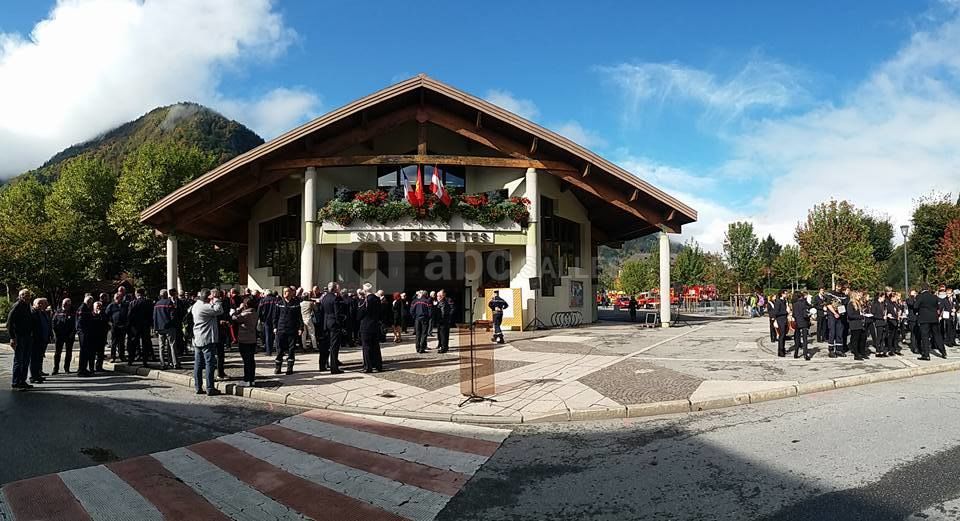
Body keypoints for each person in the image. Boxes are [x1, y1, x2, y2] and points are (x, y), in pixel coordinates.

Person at [191, 289, 223, 396]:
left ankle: (198, 386)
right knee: (210, 363)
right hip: (207, 338)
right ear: (207, 297)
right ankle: (210, 388)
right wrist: (217, 300)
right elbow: (219, 310)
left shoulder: (196, 305)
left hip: (198, 338)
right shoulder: (204, 307)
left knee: (198, 364)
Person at [271, 286, 302, 376]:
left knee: (291, 349)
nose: (285, 293)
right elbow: (275, 316)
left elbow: (299, 317)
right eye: (284, 292)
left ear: (291, 293)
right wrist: (274, 327)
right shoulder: (279, 303)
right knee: (279, 349)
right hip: (281, 329)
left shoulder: (296, 304)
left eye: (287, 291)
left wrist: (300, 328)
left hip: (292, 330)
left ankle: (289, 368)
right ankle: (278, 367)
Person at [8, 289, 34, 390]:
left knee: (26, 360)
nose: (26, 297)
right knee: (19, 360)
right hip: (19, 337)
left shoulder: (27, 305)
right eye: (24, 295)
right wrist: (12, 337)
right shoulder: (17, 306)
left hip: (27, 336)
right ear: (20, 296)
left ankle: (22, 381)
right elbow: (9, 323)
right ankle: (16, 382)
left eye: (28, 295)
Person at [231, 296, 259, 387]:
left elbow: (235, 318)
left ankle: (247, 379)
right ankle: (252, 379)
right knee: (251, 360)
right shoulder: (255, 313)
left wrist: (237, 309)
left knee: (246, 361)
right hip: (252, 339)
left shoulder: (245, 314)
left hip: (244, 339)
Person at [319, 282, 344, 373]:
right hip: (333, 323)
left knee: (324, 345)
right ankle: (334, 367)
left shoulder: (324, 298)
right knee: (334, 346)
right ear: (334, 289)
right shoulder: (335, 298)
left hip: (326, 323)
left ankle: (322, 365)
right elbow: (337, 313)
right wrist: (340, 323)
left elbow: (321, 311)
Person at [358, 283, 383, 373]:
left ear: (364, 291)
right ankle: (378, 365)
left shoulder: (366, 300)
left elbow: (361, 313)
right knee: (375, 346)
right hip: (375, 325)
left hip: (366, 325)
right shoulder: (377, 299)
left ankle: (368, 366)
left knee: (366, 347)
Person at [153, 289, 181, 369]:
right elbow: (173, 315)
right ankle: (175, 363)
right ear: (166, 295)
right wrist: (174, 324)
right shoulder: (169, 303)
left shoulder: (156, 304)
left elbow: (154, 317)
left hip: (160, 328)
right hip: (169, 327)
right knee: (172, 345)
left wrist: (155, 328)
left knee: (161, 346)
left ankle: (162, 364)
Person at [126, 288, 154, 366]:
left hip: (135, 326)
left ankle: (130, 360)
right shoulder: (148, 303)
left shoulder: (133, 303)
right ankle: (145, 361)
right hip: (145, 325)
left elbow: (129, 315)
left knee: (133, 343)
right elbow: (151, 315)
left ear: (137, 294)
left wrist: (128, 325)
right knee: (145, 343)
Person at [917, 285, 945, 360]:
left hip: (924, 319)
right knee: (937, 335)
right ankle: (943, 352)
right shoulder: (934, 297)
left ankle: (926, 355)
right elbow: (938, 306)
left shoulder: (920, 296)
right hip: (934, 318)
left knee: (925, 337)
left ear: (922, 289)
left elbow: (915, 306)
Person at [29, 298, 51, 384]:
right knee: (34, 359)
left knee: (38, 358)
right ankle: (33, 376)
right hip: (35, 340)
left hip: (42, 339)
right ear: (34, 304)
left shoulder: (41, 312)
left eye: (42, 303)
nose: (41, 305)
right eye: (39, 303)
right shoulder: (33, 313)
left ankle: (38, 375)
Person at [52, 298, 76, 374]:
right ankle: (55, 369)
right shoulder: (58, 311)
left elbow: (75, 324)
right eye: (64, 303)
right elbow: (53, 323)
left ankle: (67, 368)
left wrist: (72, 333)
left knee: (69, 352)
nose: (65, 305)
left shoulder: (73, 312)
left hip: (69, 335)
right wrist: (55, 333)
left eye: (67, 304)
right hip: (59, 335)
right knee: (57, 353)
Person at [105, 292, 129, 362]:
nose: (118, 299)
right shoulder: (111, 306)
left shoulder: (125, 305)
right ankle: (113, 357)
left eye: (120, 297)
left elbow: (128, 315)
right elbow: (106, 316)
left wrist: (126, 323)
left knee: (122, 342)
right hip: (114, 327)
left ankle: (122, 356)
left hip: (123, 326)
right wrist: (110, 323)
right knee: (114, 343)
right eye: (117, 297)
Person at [847, 291, 869, 361]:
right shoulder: (850, 304)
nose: (859, 297)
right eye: (858, 295)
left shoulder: (858, 303)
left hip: (861, 324)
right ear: (854, 296)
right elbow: (850, 315)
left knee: (862, 338)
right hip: (855, 324)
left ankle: (862, 352)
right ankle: (856, 354)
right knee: (855, 339)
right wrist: (860, 316)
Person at [90, 301, 109, 373]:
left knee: (100, 353)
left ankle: (99, 367)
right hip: (93, 336)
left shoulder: (103, 314)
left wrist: (100, 314)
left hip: (101, 336)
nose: (98, 308)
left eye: (100, 306)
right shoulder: (91, 314)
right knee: (92, 353)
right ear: (94, 307)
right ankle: (91, 368)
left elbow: (105, 322)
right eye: (97, 306)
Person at [791, 292, 811, 360]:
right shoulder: (804, 303)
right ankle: (805, 354)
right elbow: (806, 313)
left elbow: (793, 314)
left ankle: (796, 353)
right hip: (804, 322)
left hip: (797, 322)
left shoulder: (794, 304)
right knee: (805, 339)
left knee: (797, 338)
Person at [257, 289, 277, 355]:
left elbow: (259, 311)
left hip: (266, 320)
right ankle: (278, 350)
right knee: (276, 335)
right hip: (276, 319)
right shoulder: (276, 300)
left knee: (268, 335)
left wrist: (259, 319)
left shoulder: (263, 301)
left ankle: (269, 351)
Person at [300, 288, 320, 353]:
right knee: (312, 333)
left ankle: (304, 347)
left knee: (304, 334)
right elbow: (316, 309)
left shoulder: (301, 304)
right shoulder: (310, 303)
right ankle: (315, 346)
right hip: (308, 318)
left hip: (302, 318)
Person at [435, 289, 455, 353]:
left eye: (439, 295)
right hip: (441, 321)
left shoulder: (446, 301)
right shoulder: (439, 302)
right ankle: (441, 345)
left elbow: (449, 310)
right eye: (437, 296)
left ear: (443, 295)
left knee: (444, 334)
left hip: (444, 320)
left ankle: (444, 347)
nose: (438, 297)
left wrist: (448, 316)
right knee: (440, 334)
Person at [870, 293, 888, 357]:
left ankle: (882, 350)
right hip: (878, 322)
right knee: (879, 337)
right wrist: (881, 317)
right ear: (880, 297)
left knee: (883, 337)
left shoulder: (883, 304)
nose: (884, 299)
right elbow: (873, 314)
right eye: (883, 297)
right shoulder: (875, 304)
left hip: (884, 322)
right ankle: (877, 351)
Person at [773, 290, 789, 357]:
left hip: (785, 320)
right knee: (781, 336)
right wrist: (786, 312)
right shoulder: (778, 301)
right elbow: (776, 313)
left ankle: (783, 348)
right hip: (780, 320)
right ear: (782, 294)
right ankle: (780, 351)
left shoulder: (785, 301)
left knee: (784, 335)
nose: (787, 294)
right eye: (785, 293)